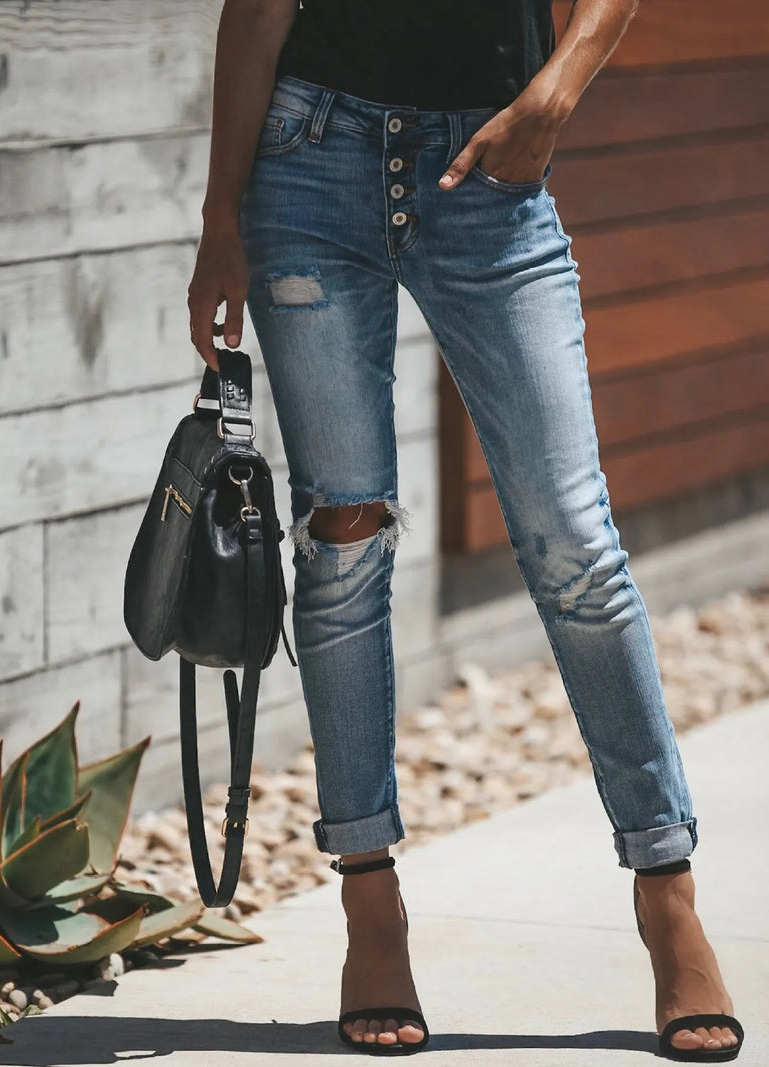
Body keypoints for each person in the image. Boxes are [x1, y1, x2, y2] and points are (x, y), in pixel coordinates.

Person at [188, 0, 744, 1059]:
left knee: (574, 540)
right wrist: (221, 213)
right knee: (341, 542)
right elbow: (258, 6)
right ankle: (370, 903)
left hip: (490, 171)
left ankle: (665, 892)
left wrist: (552, 97)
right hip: (306, 167)